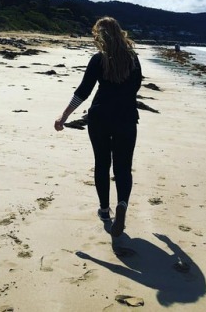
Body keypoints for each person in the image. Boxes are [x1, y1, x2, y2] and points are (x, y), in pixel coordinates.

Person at [55, 17, 142, 237]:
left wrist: (64, 116)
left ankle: (104, 210)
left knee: (102, 164)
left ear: (99, 36)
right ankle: (122, 204)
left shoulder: (98, 59)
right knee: (123, 167)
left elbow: (83, 91)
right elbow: (135, 88)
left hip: (100, 118)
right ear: (120, 33)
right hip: (126, 119)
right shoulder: (133, 60)